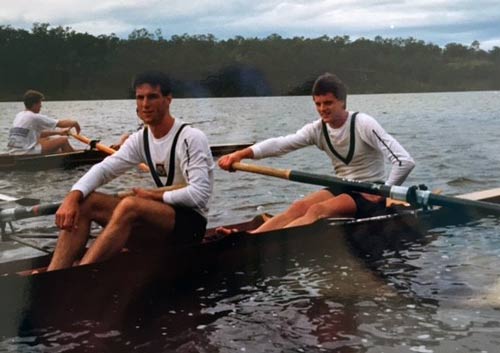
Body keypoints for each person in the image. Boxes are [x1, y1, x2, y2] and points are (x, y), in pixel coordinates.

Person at [47, 71, 214, 271]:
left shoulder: (191, 138)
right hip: (160, 225)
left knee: (130, 205)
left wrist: (154, 196)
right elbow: (104, 169)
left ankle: (80, 276)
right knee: (86, 202)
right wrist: (72, 196)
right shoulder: (140, 139)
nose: (145, 104)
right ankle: (55, 274)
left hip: (191, 225)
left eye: (152, 97)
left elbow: (200, 195)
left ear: (168, 99)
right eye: (140, 97)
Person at [218, 72, 415, 234]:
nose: (323, 109)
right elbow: (280, 145)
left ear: (342, 102)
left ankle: (268, 243)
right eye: (318, 104)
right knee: (297, 207)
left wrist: (384, 192)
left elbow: (404, 161)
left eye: (328, 103)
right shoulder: (317, 129)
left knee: (318, 210)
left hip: (370, 192)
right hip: (342, 187)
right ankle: (251, 237)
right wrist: (239, 155)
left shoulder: (363, 123)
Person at [7, 90, 81, 154]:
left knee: (46, 139)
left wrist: (59, 132)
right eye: (40, 103)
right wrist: (75, 123)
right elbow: (60, 123)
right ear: (34, 104)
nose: (41, 106)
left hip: (14, 151)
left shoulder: (19, 115)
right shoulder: (34, 117)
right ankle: (75, 158)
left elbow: (39, 134)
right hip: (26, 152)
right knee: (63, 140)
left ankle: (61, 153)